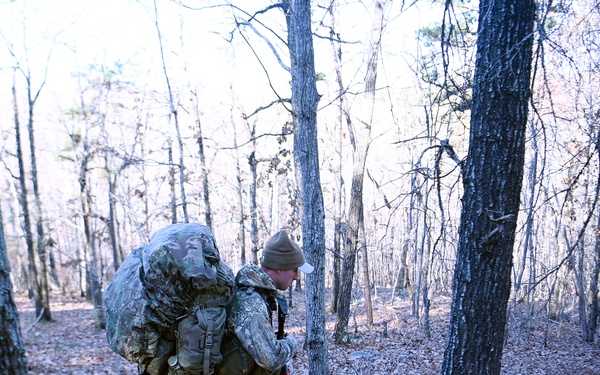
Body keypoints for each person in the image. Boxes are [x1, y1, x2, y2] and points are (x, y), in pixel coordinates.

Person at [217, 229, 314, 375]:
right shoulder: (251, 303)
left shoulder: (257, 294)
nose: (296, 277)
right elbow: (271, 359)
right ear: (280, 268)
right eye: (295, 270)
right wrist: (293, 343)